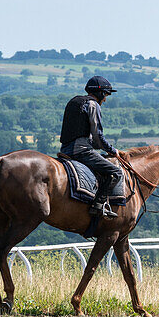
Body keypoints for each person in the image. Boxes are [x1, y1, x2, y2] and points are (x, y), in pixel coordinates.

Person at [60, 75, 124, 219]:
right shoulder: (93, 105)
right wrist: (113, 151)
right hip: (81, 151)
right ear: (100, 93)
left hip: (65, 149)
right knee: (115, 172)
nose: (106, 99)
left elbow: (86, 136)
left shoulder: (74, 101)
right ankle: (99, 205)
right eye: (106, 95)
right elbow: (98, 136)